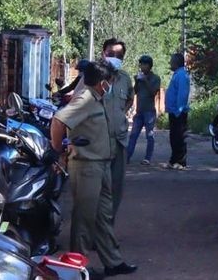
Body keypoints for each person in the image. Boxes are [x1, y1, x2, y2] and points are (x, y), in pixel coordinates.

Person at [49, 61, 137, 277]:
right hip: (87, 166)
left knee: (104, 216)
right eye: (111, 81)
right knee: (84, 219)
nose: (112, 85)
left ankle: (113, 262)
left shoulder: (99, 98)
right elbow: (59, 121)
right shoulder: (86, 98)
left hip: (103, 164)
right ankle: (76, 268)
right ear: (103, 83)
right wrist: (57, 149)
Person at [101, 38, 134, 219]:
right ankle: (91, 233)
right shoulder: (92, 77)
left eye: (119, 55)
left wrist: (121, 113)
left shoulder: (125, 79)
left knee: (116, 188)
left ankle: (107, 231)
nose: (114, 58)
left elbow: (129, 98)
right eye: (110, 54)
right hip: (97, 142)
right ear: (103, 54)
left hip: (119, 140)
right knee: (96, 190)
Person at [127, 55, 162, 165]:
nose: (142, 67)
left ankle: (147, 158)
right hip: (139, 111)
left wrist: (145, 80)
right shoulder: (140, 78)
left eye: (145, 64)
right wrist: (137, 81)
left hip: (149, 111)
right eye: (141, 64)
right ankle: (127, 156)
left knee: (149, 135)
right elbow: (135, 92)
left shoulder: (155, 78)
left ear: (149, 66)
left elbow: (153, 92)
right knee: (133, 135)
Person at [165, 53, 190, 170]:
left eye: (171, 60)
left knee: (179, 137)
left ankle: (181, 162)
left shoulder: (182, 75)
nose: (170, 62)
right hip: (174, 112)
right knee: (174, 137)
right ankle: (173, 160)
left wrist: (178, 110)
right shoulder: (177, 74)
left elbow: (182, 94)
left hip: (178, 112)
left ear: (176, 62)